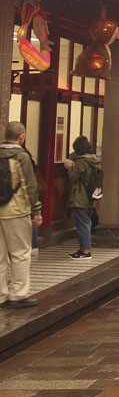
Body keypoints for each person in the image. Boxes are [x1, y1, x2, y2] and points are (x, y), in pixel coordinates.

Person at [0, 121, 42, 308]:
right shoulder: (21, 156)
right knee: (20, 252)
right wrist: (36, 210)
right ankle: (18, 293)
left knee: (0, 255)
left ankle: (1, 294)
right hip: (15, 210)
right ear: (22, 136)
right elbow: (29, 187)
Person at [65, 135, 101, 259]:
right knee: (87, 222)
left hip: (80, 197)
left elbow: (73, 177)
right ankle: (83, 249)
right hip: (91, 195)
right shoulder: (94, 160)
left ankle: (85, 251)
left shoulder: (81, 162)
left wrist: (70, 168)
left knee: (83, 224)